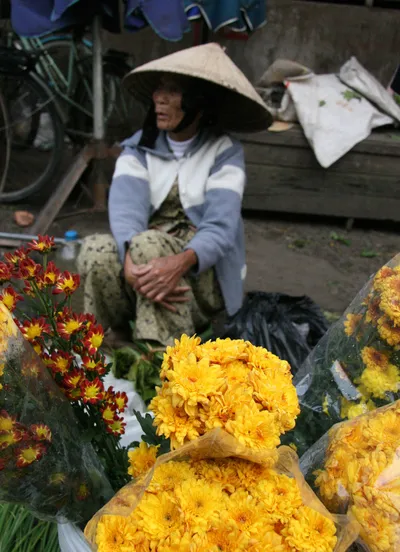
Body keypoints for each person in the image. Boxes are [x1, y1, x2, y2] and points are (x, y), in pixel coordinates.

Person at [77, 43, 271, 347]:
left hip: (200, 279)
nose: (159, 97)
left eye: (173, 90)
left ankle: (164, 353)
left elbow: (221, 227)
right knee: (95, 250)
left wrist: (180, 262)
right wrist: (127, 262)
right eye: (159, 89)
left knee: (149, 245)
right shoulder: (138, 148)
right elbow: (126, 211)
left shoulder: (225, 153)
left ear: (198, 102)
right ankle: (111, 341)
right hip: (145, 268)